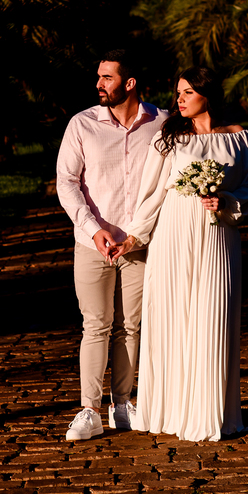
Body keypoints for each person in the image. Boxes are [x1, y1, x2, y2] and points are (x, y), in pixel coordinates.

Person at [110, 67, 248, 441]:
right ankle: (172, 411)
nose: (179, 99)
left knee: (214, 317)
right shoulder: (170, 138)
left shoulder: (240, 138)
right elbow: (155, 192)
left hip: (219, 237)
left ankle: (210, 414)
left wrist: (225, 201)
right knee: (173, 320)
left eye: (187, 92)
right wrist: (134, 237)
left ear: (206, 94)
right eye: (178, 92)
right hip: (174, 238)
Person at [55, 49, 168, 441]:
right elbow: (66, 183)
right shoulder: (82, 124)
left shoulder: (162, 124)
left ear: (129, 83)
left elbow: (197, 143)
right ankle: (89, 410)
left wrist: (230, 131)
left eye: (107, 77)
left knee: (131, 326)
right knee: (96, 325)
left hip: (138, 244)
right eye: (99, 76)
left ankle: (123, 404)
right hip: (92, 243)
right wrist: (92, 228)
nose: (99, 83)